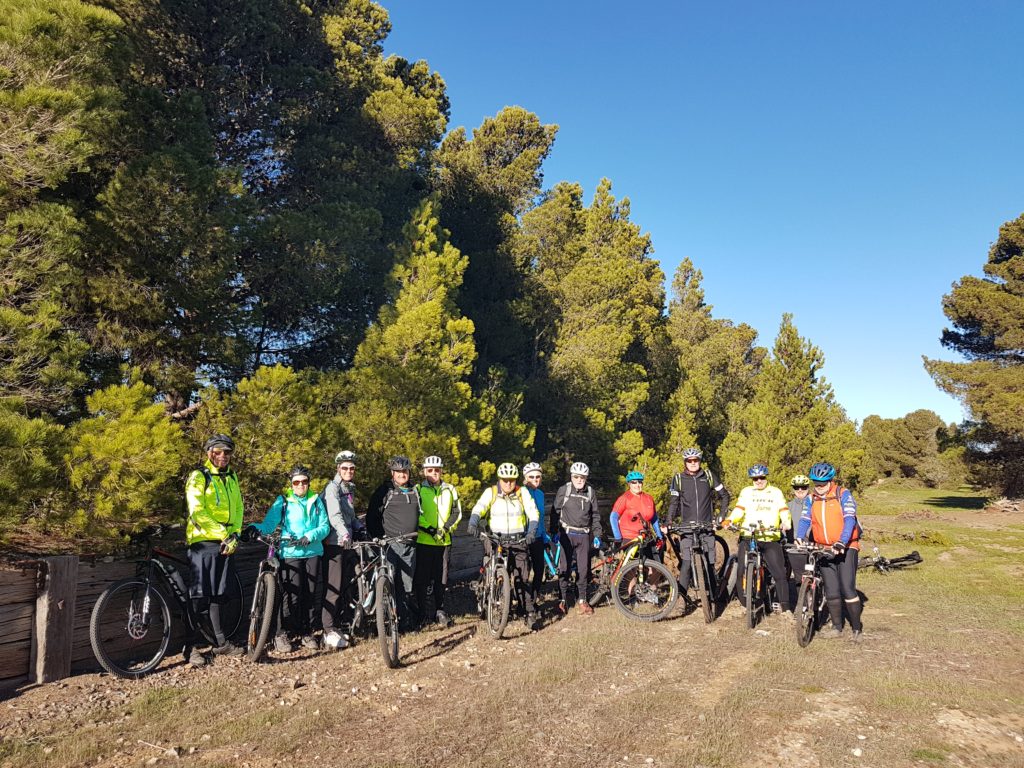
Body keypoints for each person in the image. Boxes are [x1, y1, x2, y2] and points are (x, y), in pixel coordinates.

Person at [248, 466, 330, 652]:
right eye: (296, 482)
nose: (300, 485)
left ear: (308, 482)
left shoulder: (316, 501)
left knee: (309, 594)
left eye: (304, 481)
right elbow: (268, 524)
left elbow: (325, 526)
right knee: (290, 595)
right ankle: (282, 632)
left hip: (312, 552)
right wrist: (253, 528)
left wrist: (310, 536)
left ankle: (306, 631)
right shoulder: (283, 501)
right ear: (291, 484)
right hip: (290, 553)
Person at [184, 434, 245, 666]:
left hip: (227, 543)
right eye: (218, 451)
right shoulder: (198, 476)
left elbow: (238, 506)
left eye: (227, 452)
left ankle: (220, 643)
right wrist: (223, 533)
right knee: (199, 597)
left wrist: (235, 534)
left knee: (219, 595)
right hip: (204, 542)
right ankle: (190, 647)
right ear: (209, 452)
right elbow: (197, 510)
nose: (223, 456)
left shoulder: (232, 476)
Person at [795, 462, 864, 639]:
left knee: (847, 588)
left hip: (846, 548)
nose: (819, 488)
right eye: (816, 484)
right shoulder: (811, 499)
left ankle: (856, 628)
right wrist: (799, 536)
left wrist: (841, 542)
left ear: (830, 481)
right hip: (823, 548)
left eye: (823, 484)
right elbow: (804, 519)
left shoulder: (843, 494)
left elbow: (849, 519)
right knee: (832, 590)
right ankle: (836, 627)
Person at [467, 462, 540, 629]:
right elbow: (480, 507)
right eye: (505, 480)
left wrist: (531, 532)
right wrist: (473, 522)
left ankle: (527, 612)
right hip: (495, 538)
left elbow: (533, 512)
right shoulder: (491, 492)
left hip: (518, 540)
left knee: (522, 577)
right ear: (499, 479)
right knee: (492, 567)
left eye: (512, 480)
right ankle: (488, 596)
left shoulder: (522, 493)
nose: (508, 483)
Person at [721, 464, 793, 616]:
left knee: (779, 573)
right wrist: (730, 520)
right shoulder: (747, 492)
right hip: (748, 535)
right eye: (755, 478)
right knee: (741, 571)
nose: (759, 481)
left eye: (762, 477)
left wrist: (786, 522)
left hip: (770, 537)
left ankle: (786, 609)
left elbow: (783, 509)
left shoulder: (775, 492)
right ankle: (743, 604)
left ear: (766, 477)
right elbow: (739, 509)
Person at [664, 447, 730, 596]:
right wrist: (669, 521)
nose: (693, 463)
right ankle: (682, 598)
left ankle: (715, 596)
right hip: (687, 527)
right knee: (686, 563)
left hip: (706, 526)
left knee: (710, 562)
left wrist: (721, 516)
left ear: (700, 461)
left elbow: (724, 495)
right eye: (689, 461)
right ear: (685, 462)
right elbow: (674, 502)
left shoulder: (708, 476)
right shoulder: (679, 479)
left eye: (696, 460)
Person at [367, 456, 421, 630]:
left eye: (404, 471)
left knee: (406, 585)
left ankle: (403, 621)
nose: (402, 474)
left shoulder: (414, 490)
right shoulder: (385, 490)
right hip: (390, 543)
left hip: (410, 544)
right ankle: (384, 624)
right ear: (392, 473)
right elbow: (372, 516)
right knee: (388, 582)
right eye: (398, 472)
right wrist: (378, 536)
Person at [414, 455, 462, 627]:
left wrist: (446, 528)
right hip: (424, 541)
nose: (434, 473)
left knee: (441, 579)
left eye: (437, 470)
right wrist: (430, 529)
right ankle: (422, 613)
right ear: (424, 471)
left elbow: (457, 512)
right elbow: (416, 513)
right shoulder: (418, 489)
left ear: (441, 471)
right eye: (430, 470)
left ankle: (439, 610)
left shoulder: (450, 489)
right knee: (422, 579)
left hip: (444, 542)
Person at [321, 450, 362, 650]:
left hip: (347, 542)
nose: (348, 471)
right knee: (333, 588)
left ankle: (340, 624)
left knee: (347, 585)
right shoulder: (332, 488)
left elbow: (350, 515)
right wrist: (345, 533)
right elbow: (334, 515)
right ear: (338, 468)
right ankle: (327, 630)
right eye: (344, 467)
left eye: (351, 468)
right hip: (335, 543)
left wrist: (360, 527)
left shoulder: (349, 488)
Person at [551, 461, 603, 616]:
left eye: (582, 477)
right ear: (571, 477)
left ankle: (582, 600)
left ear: (586, 478)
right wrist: (554, 531)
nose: (579, 480)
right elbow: (555, 511)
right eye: (576, 477)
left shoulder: (590, 492)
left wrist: (597, 534)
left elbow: (595, 515)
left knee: (583, 570)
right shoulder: (564, 490)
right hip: (567, 534)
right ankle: (562, 600)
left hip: (584, 535)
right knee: (565, 569)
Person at [610, 471, 665, 556]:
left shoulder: (649, 498)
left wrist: (659, 535)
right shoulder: (624, 498)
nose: (637, 485)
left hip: (646, 536)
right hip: (629, 537)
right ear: (629, 484)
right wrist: (617, 537)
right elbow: (613, 517)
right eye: (634, 482)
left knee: (653, 566)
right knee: (633, 566)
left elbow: (654, 518)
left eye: (639, 482)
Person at [522, 462, 550, 601]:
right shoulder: (520, 492)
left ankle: (533, 597)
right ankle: (523, 601)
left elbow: (541, 518)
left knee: (539, 570)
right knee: (524, 572)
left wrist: (545, 538)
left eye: (538, 476)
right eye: (531, 477)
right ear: (525, 478)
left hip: (538, 536)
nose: (535, 479)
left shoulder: (540, 494)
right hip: (523, 537)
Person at [787, 475, 810, 545]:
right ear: (793, 489)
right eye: (796, 487)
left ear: (808, 488)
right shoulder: (787, 506)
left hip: (809, 543)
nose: (800, 490)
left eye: (803, 487)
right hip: (792, 543)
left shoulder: (815, 504)